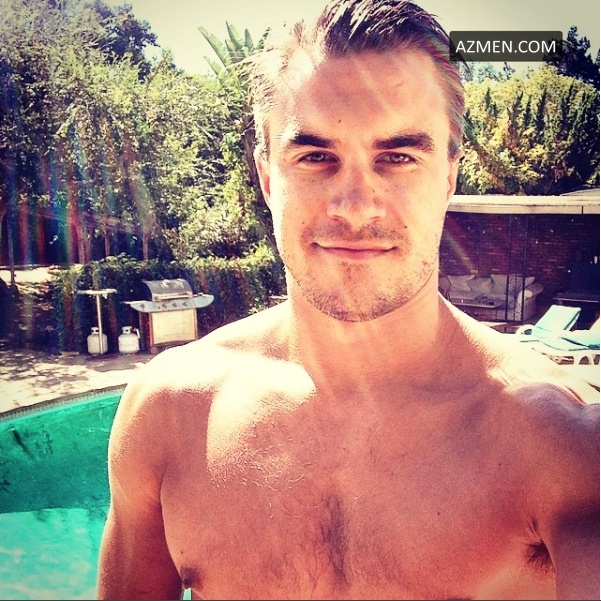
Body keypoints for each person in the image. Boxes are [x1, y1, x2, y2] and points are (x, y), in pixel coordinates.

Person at [96, 0, 599, 599]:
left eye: (398, 157)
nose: (356, 206)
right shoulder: (170, 413)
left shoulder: (562, 442)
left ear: (448, 176)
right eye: (315, 157)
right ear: (267, 177)